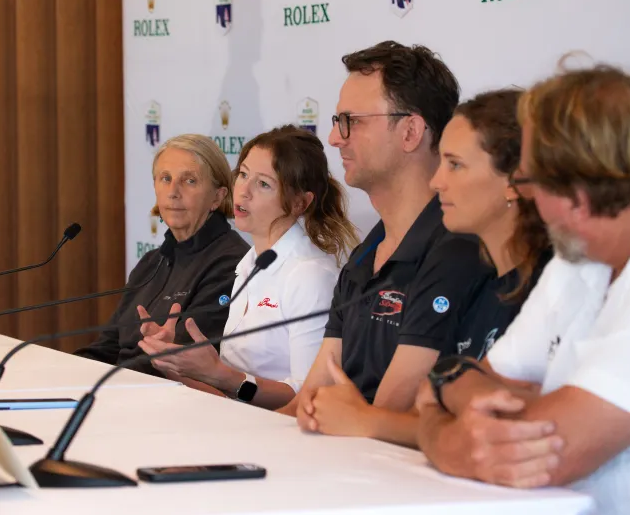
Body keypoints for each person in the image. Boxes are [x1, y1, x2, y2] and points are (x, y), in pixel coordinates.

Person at [416, 63, 630, 515]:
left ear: (578, 192)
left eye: (529, 182)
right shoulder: (581, 252)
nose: (528, 200)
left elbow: (546, 453)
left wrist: (434, 431)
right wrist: (453, 398)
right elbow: (480, 379)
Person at [303, 89, 552, 445]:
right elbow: (439, 409)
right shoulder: (493, 284)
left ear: (514, 181)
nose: (437, 182)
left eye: (456, 165)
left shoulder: (548, 282)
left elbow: (508, 428)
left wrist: (367, 419)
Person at [278, 41, 491, 424]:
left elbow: (382, 416)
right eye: (335, 121)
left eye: (351, 121)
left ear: (410, 131)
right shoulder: (364, 254)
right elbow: (306, 402)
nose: (334, 138)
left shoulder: (455, 247)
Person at [138, 125, 359, 410]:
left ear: (299, 203)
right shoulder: (248, 264)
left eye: (263, 184)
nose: (243, 191)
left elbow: (312, 398)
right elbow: (230, 396)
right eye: (242, 175)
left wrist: (222, 375)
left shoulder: (310, 275)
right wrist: (174, 362)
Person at [74, 134, 249, 375]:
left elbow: (183, 364)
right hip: (121, 389)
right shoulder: (151, 262)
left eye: (189, 181)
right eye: (165, 178)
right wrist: (60, 370)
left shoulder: (231, 263)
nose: (173, 192)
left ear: (217, 197)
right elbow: (107, 347)